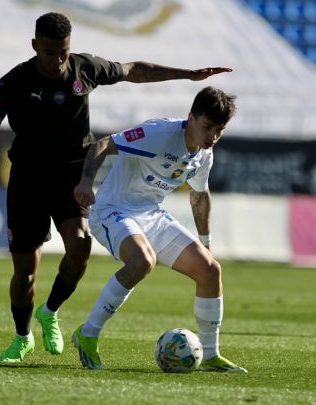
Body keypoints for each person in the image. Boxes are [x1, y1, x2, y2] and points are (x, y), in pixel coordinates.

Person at [0, 11, 232, 363]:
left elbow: (134, 70)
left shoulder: (84, 68)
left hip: (71, 175)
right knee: (25, 273)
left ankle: (50, 311)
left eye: (64, 52)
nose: (59, 61)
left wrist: (188, 74)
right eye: (50, 53)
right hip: (27, 179)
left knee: (79, 247)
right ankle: (22, 336)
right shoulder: (12, 83)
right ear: (35, 46)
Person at [72, 86, 247, 373]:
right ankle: (88, 334)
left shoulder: (204, 154)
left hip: (150, 214)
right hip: (112, 209)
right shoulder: (159, 133)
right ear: (191, 118)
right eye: (208, 127)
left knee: (210, 270)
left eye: (220, 130)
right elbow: (102, 144)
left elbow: (199, 195)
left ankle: (211, 354)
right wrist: (85, 183)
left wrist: (205, 242)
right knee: (143, 261)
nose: (213, 137)